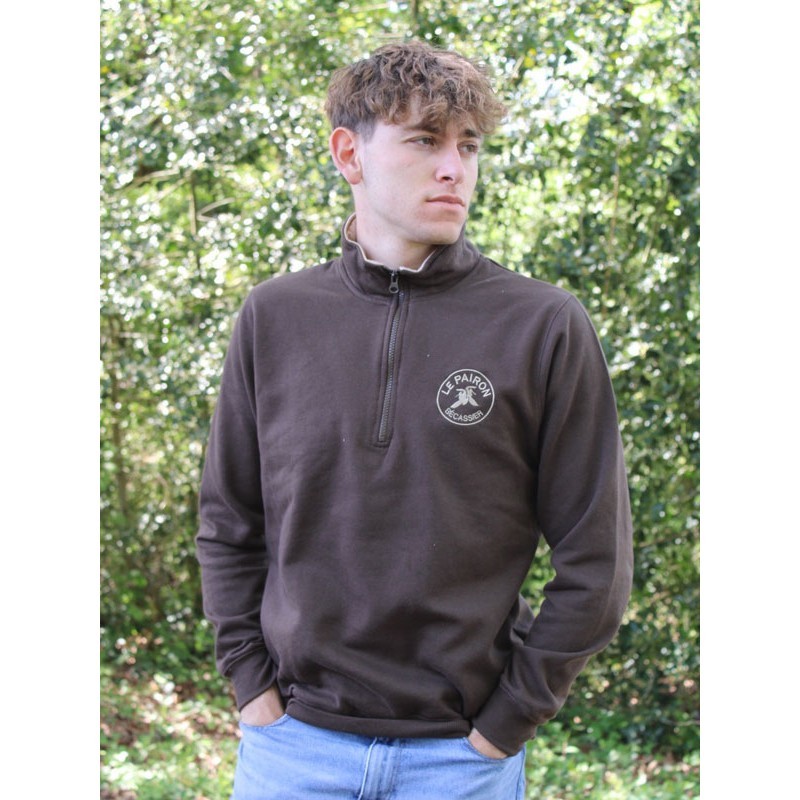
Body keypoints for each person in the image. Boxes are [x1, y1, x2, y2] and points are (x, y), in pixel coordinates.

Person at [196, 40, 633, 800]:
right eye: (425, 140)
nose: (454, 167)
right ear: (349, 154)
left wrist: (507, 721)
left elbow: (597, 560)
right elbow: (229, 520)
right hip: (292, 751)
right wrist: (251, 687)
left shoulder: (542, 326)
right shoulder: (276, 317)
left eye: (469, 145)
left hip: (459, 763)